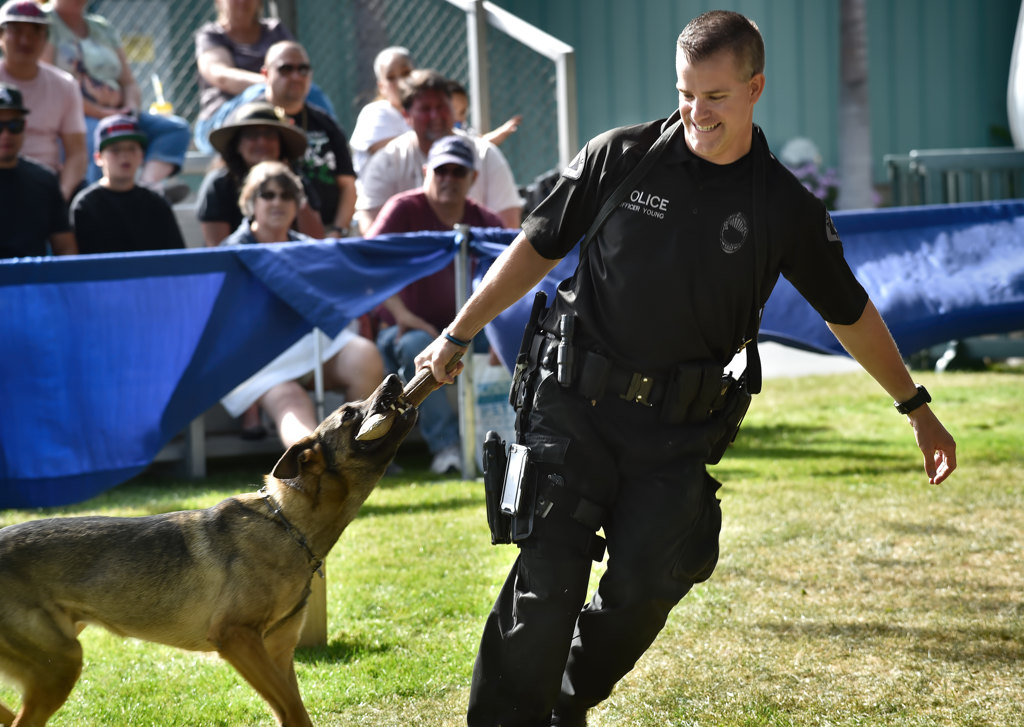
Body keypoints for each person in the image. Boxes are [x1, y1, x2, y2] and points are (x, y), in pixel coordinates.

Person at [414, 11, 957, 725]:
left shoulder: (780, 205)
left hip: (675, 431)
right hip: (572, 406)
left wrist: (914, 405)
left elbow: (847, 309)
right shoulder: (621, 157)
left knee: (648, 581)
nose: (697, 113)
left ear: (755, 88)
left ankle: (562, 705)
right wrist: (458, 332)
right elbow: (538, 247)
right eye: (686, 94)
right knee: (545, 586)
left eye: (716, 96)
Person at [220, 160, 384, 448]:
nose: (277, 202)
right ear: (250, 202)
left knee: (364, 355)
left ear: (298, 204)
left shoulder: (310, 250)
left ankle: (354, 455)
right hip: (258, 361)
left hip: (312, 348)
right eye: (267, 195)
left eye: (286, 196)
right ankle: (313, 468)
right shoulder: (230, 253)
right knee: (290, 399)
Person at [366, 135, 504, 476]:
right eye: (442, 170)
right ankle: (447, 449)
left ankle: (503, 442)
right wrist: (404, 316)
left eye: (459, 172)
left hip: (470, 332)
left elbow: (509, 282)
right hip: (407, 332)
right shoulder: (402, 209)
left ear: (472, 179)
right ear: (426, 172)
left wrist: (503, 333)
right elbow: (369, 268)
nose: (449, 178)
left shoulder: (486, 220)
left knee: (513, 344)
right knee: (417, 347)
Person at [42, 0, 191, 200]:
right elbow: (51, 82)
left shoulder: (102, 27)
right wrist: (101, 113)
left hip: (118, 113)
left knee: (175, 129)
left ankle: (147, 191)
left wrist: (130, 109)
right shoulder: (43, 22)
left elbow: (128, 82)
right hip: (75, 115)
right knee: (98, 137)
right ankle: (100, 204)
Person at [354, 68, 521, 235]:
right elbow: (372, 240)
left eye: (459, 172)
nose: (435, 116)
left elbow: (506, 236)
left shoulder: (485, 155)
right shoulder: (388, 162)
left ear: (473, 176)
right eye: (425, 109)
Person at [193, 0, 333, 155]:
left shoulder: (274, 30)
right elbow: (220, 75)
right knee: (262, 90)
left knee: (309, 89)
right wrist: (274, 83)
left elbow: (295, 62)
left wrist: (284, 83)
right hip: (219, 123)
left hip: (273, 120)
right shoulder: (211, 35)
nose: (243, 1)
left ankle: (333, 145)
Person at [254, 40, 356, 236]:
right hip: (268, 236)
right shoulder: (250, 121)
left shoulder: (326, 124)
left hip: (327, 234)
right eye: (286, 69)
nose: (296, 76)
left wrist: (338, 231)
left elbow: (348, 185)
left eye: (303, 69)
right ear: (265, 74)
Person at [198, 100, 323, 246]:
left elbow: (315, 245)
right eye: (252, 135)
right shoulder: (219, 183)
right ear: (237, 144)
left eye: (269, 135)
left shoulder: (294, 178)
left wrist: (290, 183)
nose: (262, 142)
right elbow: (220, 255)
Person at [0, 0, 85, 202]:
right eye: (17, 31)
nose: (25, 40)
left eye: (34, 32)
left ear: (45, 38)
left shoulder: (65, 85)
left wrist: (59, 196)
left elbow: (77, 153)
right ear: (1, 36)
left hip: (45, 183)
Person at [70, 114, 185, 254]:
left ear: (142, 156)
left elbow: (176, 256)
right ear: (98, 157)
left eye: (132, 148)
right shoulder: (85, 205)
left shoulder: (157, 203)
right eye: (115, 149)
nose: (125, 156)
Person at [0, 82, 76, 257]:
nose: (6, 135)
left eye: (14, 126)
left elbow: (65, 248)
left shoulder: (44, 180)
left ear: (25, 127)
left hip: (32, 282)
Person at [348, 45, 412, 175]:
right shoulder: (374, 112)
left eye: (406, 73)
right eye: (391, 77)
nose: (400, 82)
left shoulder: (422, 110)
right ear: (381, 86)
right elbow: (383, 150)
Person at [448, 79, 522, 148]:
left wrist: (504, 130)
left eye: (463, 112)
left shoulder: (463, 130)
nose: (460, 118)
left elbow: (482, 142)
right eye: (452, 111)